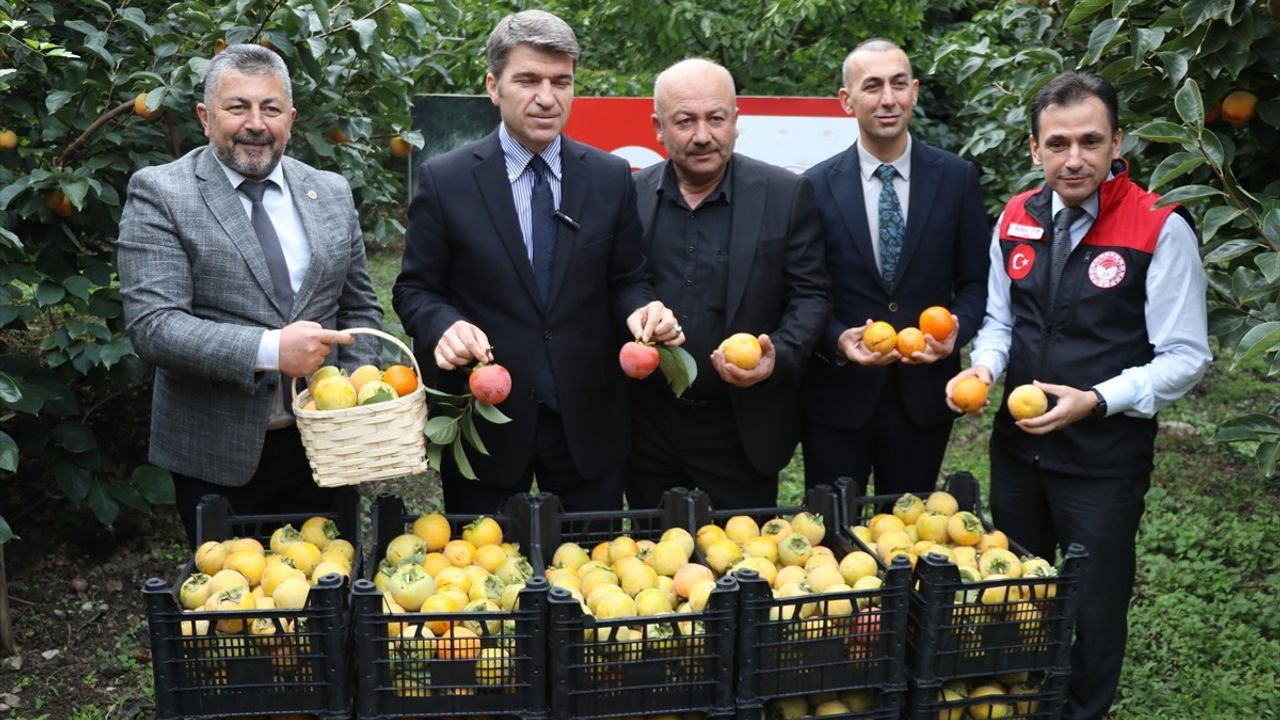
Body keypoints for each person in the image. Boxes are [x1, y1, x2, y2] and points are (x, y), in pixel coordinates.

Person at [946, 71, 1211, 719]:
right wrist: (982, 370)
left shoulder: (1158, 227)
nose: (1074, 158)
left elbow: (1187, 358)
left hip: (1103, 459)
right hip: (1018, 454)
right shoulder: (1015, 217)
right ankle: (1015, 703)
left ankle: (1082, 710)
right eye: (1057, 143)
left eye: (1090, 141)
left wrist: (1096, 398)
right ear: (1034, 149)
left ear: (1117, 141)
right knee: (1013, 597)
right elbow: (1002, 323)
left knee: (1093, 609)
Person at [392, 10, 681, 514]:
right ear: (493, 85)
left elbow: (628, 279)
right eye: (528, 79)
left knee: (592, 577)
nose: (547, 97)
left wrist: (643, 309)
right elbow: (415, 290)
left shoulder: (610, 177)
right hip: (484, 420)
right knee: (480, 578)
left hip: (588, 422)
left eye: (561, 81)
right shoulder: (448, 181)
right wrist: (445, 326)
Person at [117, 44, 383, 547]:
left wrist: (352, 395)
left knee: (331, 591)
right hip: (216, 455)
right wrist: (270, 349)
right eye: (237, 107)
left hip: (324, 450)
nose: (255, 123)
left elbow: (360, 307)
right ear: (205, 116)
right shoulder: (161, 192)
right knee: (236, 614)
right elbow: (154, 326)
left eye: (271, 108)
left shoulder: (330, 190)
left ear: (291, 118)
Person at [624, 59, 831, 511]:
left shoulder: (785, 194)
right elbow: (624, 281)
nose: (703, 135)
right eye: (685, 121)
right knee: (645, 564)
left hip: (742, 425)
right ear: (658, 128)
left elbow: (812, 296)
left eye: (716, 118)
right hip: (647, 426)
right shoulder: (630, 196)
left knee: (745, 566)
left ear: (736, 121)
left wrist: (779, 354)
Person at [800, 39, 989, 498]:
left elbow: (975, 284)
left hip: (922, 399)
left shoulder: (957, 178)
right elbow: (805, 289)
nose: (888, 98)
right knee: (831, 538)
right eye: (873, 86)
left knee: (909, 535)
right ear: (847, 100)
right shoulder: (814, 185)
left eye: (899, 84)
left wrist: (953, 335)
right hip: (837, 398)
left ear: (915, 91)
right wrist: (836, 338)